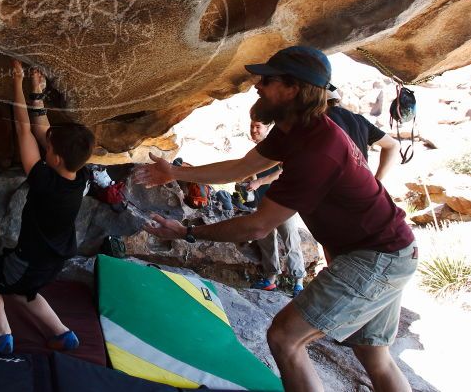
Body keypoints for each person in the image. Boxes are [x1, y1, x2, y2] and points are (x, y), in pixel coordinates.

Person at [136, 46, 416, 392]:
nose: (257, 85)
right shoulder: (295, 130)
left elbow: (257, 225)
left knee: (287, 338)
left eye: (267, 80)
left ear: (292, 89)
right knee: (373, 354)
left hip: (377, 256)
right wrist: (174, 174)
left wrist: (187, 232)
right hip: (389, 249)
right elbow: (241, 167)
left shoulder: (319, 150)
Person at [0, 61, 94, 355]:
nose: (47, 146)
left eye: (50, 149)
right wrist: (36, 91)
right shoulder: (80, 174)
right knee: (24, 291)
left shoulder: (45, 182)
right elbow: (44, 134)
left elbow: (24, 130)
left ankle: (3, 336)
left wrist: (16, 83)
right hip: (54, 260)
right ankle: (63, 334)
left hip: (29, 258)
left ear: (54, 159)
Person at [244, 118, 305, 296]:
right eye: (252, 126)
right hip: (263, 203)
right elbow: (251, 173)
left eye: (258, 127)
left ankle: (298, 282)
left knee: (290, 240)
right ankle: (270, 279)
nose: (254, 130)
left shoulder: (279, 147)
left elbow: (283, 171)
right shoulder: (256, 152)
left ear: (267, 128)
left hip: (284, 203)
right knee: (266, 241)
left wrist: (259, 181)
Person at [327, 88, 399, 181]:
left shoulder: (316, 120)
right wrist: (376, 181)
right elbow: (393, 145)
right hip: (363, 187)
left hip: (333, 190)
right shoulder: (359, 119)